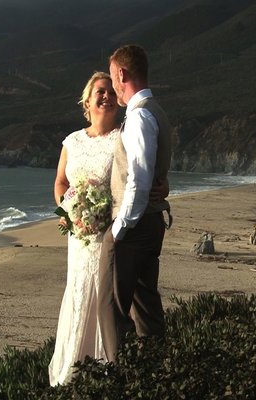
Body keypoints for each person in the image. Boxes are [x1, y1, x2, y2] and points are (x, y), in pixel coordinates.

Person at [49, 71, 168, 386]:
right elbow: (62, 182)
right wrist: (68, 208)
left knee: (107, 299)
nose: (105, 96)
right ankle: (73, 370)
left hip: (112, 233)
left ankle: (106, 370)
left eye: (110, 91)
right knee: (79, 294)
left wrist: (162, 186)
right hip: (79, 235)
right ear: (86, 100)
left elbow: (144, 171)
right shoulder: (72, 141)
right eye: (99, 92)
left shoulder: (125, 136)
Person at [97, 44, 172, 364]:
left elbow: (138, 181)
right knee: (146, 307)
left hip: (135, 227)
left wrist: (119, 229)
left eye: (113, 78)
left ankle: (119, 378)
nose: (113, 88)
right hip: (152, 223)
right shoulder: (157, 111)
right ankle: (156, 372)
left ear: (122, 74)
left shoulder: (140, 116)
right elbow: (153, 171)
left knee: (110, 307)